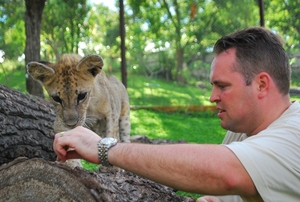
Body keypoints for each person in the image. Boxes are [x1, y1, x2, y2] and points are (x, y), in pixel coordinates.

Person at [53, 27, 300, 202]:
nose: (212, 97)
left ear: (261, 85)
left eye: (222, 86)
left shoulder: (295, 133)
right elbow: (233, 185)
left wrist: (105, 149)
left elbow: (227, 172)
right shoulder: (243, 129)